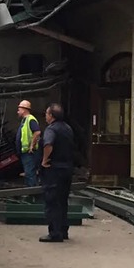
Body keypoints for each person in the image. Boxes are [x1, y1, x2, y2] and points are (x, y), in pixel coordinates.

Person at [39, 103, 75, 243]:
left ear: (51, 116)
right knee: (63, 200)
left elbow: (48, 144)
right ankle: (63, 230)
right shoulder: (68, 128)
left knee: (52, 201)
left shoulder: (51, 129)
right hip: (67, 168)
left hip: (54, 170)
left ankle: (54, 233)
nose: (46, 116)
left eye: (47, 114)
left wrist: (44, 160)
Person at [16, 100, 41, 186]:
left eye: (19, 109)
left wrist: (31, 146)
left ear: (24, 109)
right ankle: (30, 192)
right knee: (28, 173)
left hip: (29, 153)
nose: (17, 112)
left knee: (30, 174)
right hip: (25, 152)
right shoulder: (24, 120)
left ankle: (34, 194)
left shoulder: (30, 119)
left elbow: (37, 132)